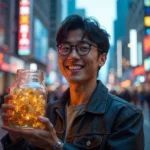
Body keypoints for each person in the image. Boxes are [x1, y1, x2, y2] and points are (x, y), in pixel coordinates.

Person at [1, 15, 144, 150]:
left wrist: (56, 146)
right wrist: (16, 138)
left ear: (102, 58)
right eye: (65, 48)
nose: (72, 56)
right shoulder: (47, 111)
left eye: (83, 48)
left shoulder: (126, 116)